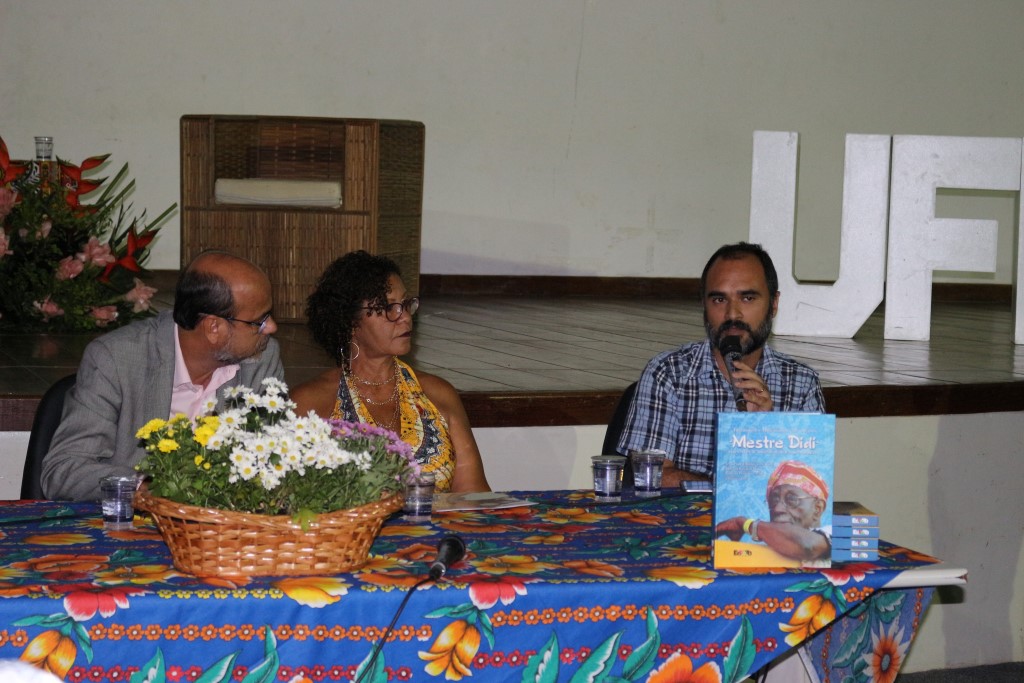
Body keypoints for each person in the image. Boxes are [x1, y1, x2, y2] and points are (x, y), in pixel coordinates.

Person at [40, 251, 284, 501]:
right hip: (132, 522)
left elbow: (274, 461)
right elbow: (64, 470)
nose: (272, 327)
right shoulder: (116, 359)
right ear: (214, 327)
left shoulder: (261, 358)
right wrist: (151, 490)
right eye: (259, 321)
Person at [617, 242, 824, 488]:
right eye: (719, 299)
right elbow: (649, 476)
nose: (732, 314)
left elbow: (807, 492)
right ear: (704, 305)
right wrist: (730, 487)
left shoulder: (802, 385)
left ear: (774, 304)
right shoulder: (668, 374)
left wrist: (765, 431)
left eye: (747, 298)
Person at [291, 250, 490, 493]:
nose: (405, 317)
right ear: (351, 322)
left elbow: (474, 495)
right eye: (389, 308)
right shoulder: (309, 404)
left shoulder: (438, 394)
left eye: (405, 304)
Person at [714, 460, 832, 565]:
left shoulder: (834, 533)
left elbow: (809, 547)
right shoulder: (764, 552)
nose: (777, 509)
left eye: (791, 499)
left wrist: (746, 524)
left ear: (817, 508)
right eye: (774, 500)